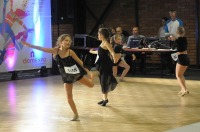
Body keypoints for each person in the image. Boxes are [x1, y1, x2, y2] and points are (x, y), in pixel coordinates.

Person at [22, 34, 94, 121]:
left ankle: (95, 74)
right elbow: (42, 49)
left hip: (75, 73)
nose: (68, 42)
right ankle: (76, 114)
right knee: (69, 98)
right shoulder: (55, 51)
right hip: (66, 77)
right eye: (66, 40)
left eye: (69, 41)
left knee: (91, 85)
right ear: (61, 42)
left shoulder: (71, 52)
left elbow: (80, 62)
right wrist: (30, 45)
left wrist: (88, 71)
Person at [90, 28, 118, 106]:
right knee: (102, 81)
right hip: (101, 64)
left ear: (102, 35)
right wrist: (91, 51)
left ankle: (105, 99)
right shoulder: (102, 43)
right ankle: (104, 99)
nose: (98, 36)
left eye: (99, 34)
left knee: (103, 81)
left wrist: (115, 59)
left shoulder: (106, 43)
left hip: (105, 64)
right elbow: (99, 52)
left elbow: (112, 52)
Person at [169, 27, 190, 96]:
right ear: (183, 32)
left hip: (181, 58)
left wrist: (172, 40)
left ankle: (183, 89)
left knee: (178, 75)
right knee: (181, 75)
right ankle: (184, 89)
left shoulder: (177, 40)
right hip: (186, 57)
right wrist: (174, 39)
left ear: (177, 32)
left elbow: (172, 47)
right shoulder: (185, 39)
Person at [164, 10, 184, 75]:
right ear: (169, 14)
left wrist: (176, 37)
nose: (172, 15)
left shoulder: (179, 21)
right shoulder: (167, 22)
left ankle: (177, 71)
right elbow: (166, 32)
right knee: (168, 56)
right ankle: (171, 70)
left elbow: (181, 32)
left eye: (173, 14)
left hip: (177, 41)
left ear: (175, 14)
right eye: (171, 14)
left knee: (176, 56)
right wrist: (168, 37)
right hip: (170, 41)